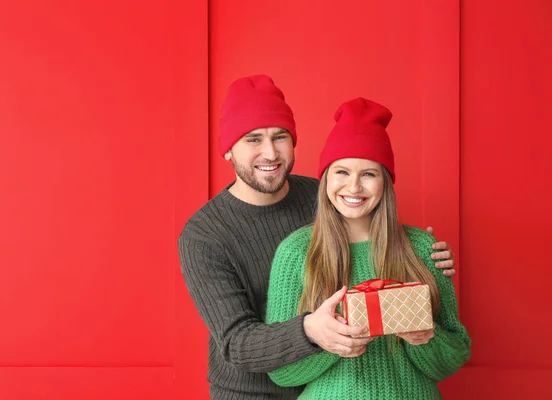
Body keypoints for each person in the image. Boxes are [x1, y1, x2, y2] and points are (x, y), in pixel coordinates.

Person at [178, 76, 457, 400]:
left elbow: (379, 237)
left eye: (279, 136)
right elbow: (236, 342)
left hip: (334, 383)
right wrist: (311, 330)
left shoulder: (328, 196)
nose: (270, 152)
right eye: (253, 139)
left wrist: (427, 257)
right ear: (228, 150)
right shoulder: (204, 236)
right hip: (251, 393)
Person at [265, 97, 471, 399]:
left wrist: (426, 339)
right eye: (342, 172)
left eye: (369, 174)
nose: (354, 187)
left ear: (385, 183)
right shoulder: (296, 252)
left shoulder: (423, 249)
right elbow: (280, 371)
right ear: (325, 180)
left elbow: (453, 357)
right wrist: (330, 343)